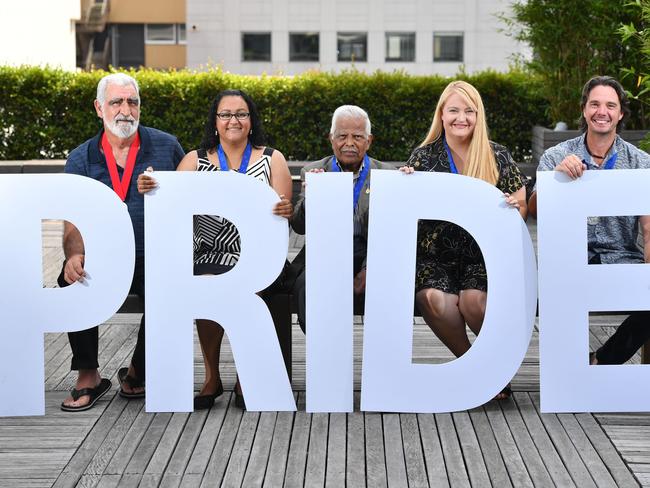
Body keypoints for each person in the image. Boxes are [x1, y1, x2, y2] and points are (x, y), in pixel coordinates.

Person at [138, 89, 293, 410]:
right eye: (225, 114)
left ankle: (244, 375)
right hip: (207, 252)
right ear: (215, 121)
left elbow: (282, 214)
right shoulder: (194, 160)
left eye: (241, 114)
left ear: (251, 121)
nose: (233, 120)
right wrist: (152, 186)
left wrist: (285, 209)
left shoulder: (272, 159)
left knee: (243, 285)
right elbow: (171, 201)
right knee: (206, 278)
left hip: (258, 257)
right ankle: (212, 376)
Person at [59, 73, 185, 412]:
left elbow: (189, 199)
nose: (125, 110)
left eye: (132, 102)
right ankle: (88, 374)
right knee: (68, 278)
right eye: (116, 102)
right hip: (103, 257)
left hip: (152, 255)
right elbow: (72, 221)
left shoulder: (166, 146)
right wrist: (74, 255)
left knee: (169, 285)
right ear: (99, 108)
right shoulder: (81, 157)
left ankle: (137, 371)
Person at [402, 80, 527, 400]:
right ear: (441, 115)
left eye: (469, 111)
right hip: (434, 257)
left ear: (478, 115)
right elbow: (405, 210)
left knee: (475, 303)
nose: (462, 117)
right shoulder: (423, 157)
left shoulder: (498, 155)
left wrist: (517, 207)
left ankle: (496, 367)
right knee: (434, 300)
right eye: (454, 110)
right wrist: (404, 186)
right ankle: (477, 367)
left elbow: (522, 207)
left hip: (483, 256)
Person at [529, 75, 650, 365]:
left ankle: (601, 361)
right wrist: (555, 180)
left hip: (621, 259)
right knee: (552, 296)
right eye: (594, 104)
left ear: (620, 113)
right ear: (584, 109)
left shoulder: (640, 163)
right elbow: (534, 210)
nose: (602, 112)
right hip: (569, 262)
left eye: (610, 105)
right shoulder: (556, 155)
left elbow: (648, 227)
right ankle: (566, 371)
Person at [290, 105, 395, 331]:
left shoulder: (386, 175)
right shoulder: (314, 171)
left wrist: (370, 268)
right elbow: (298, 226)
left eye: (357, 136)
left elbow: (390, 232)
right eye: (342, 136)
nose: (349, 143)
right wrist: (313, 197)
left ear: (369, 141)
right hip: (325, 254)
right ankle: (323, 350)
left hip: (369, 251)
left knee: (389, 286)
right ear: (331, 139)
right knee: (306, 286)